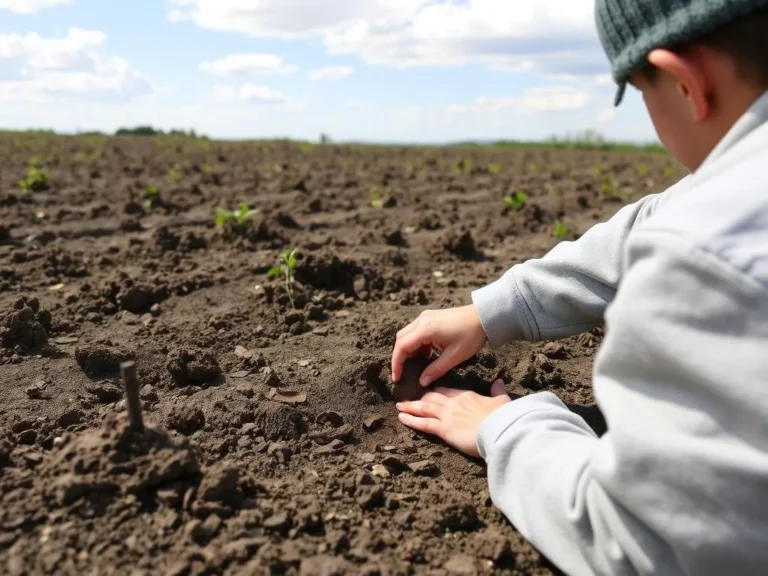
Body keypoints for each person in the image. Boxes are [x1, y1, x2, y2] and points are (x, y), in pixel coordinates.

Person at [390, 1, 768, 574]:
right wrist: (494, 310)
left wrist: (509, 427)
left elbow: (644, 543)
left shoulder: (711, 260)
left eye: (642, 92)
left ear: (687, 83)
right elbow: (672, 212)